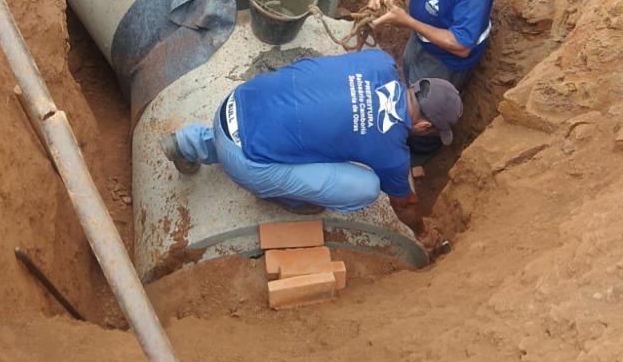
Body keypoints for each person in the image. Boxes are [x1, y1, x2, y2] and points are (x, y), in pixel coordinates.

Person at [160, 48, 463, 248]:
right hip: (246, 163)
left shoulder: (379, 60)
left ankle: (190, 142)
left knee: (294, 120)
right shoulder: (391, 151)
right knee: (367, 186)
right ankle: (286, 197)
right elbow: (405, 205)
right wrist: (422, 233)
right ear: (424, 127)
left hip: (234, 103)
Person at [368, 0, 495, 165]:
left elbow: (461, 46)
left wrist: (409, 23)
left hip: (446, 59)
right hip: (422, 37)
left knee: (429, 111)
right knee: (411, 80)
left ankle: (418, 153)